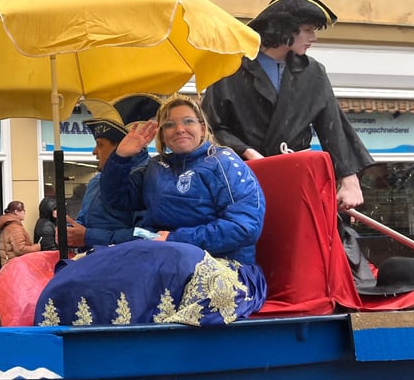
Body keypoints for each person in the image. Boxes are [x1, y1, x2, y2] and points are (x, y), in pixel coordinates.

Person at [35, 95, 266, 326]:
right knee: (97, 264)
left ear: (202, 127)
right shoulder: (157, 167)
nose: (179, 129)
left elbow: (245, 227)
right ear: (162, 134)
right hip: (163, 254)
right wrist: (121, 158)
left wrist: (176, 239)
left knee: (176, 258)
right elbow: (118, 200)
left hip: (225, 265)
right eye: (169, 124)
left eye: (188, 121)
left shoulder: (225, 163)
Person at [202, 0, 374, 211]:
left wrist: (350, 180)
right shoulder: (231, 67)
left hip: (296, 178)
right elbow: (210, 126)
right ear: (284, 28)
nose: (314, 38)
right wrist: (247, 151)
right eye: (308, 30)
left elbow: (333, 126)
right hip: (241, 178)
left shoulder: (312, 72)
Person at [65, 94, 161, 251]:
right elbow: (84, 220)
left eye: (100, 145)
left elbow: (149, 235)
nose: (94, 151)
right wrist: (71, 231)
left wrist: (88, 236)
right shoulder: (96, 181)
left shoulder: (147, 178)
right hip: (94, 261)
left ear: (123, 146)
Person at [0, 200, 40, 267]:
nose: (24, 213)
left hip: (10, 264)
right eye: (23, 210)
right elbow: (20, 249)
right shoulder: (15, 228)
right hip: (17, 265)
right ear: (16, 212)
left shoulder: (8, 225)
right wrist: (37, 247)